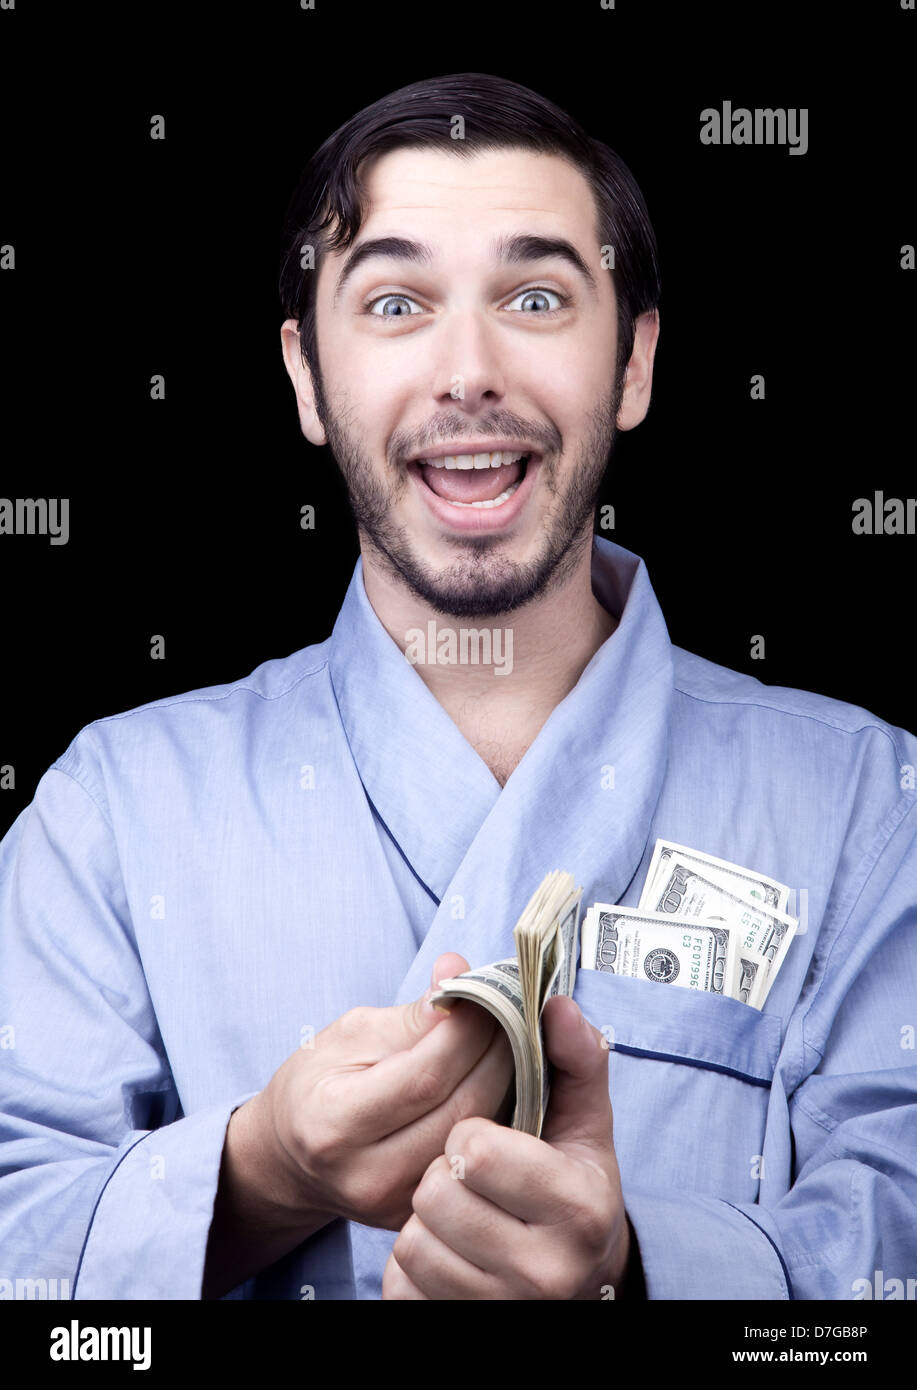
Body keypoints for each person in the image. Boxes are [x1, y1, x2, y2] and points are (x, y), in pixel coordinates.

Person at [1, 73, 915, 1303]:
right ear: (308, 380)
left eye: (534, 296)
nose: (466, 370)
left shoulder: (869, 799)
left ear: (633, 362)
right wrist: (262, 1169)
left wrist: (642, 1269)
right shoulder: (108, 806)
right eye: (394, 302)